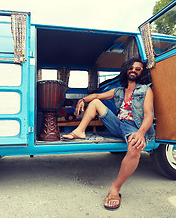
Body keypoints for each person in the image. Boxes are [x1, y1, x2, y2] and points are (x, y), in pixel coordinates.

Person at [62, 57, 155, 211]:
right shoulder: (119, 90)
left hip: (134, 127)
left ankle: (115, 189)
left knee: (135, 148)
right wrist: (83, 100)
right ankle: (80, 131)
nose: (133, 70)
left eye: (137, 68)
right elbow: (97, 96)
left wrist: (140, 133)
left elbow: (148, 115)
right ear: (126, 70)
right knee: (95, 103)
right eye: (130, 68)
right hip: (119, 125)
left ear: (142, 72)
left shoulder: (146, 90)